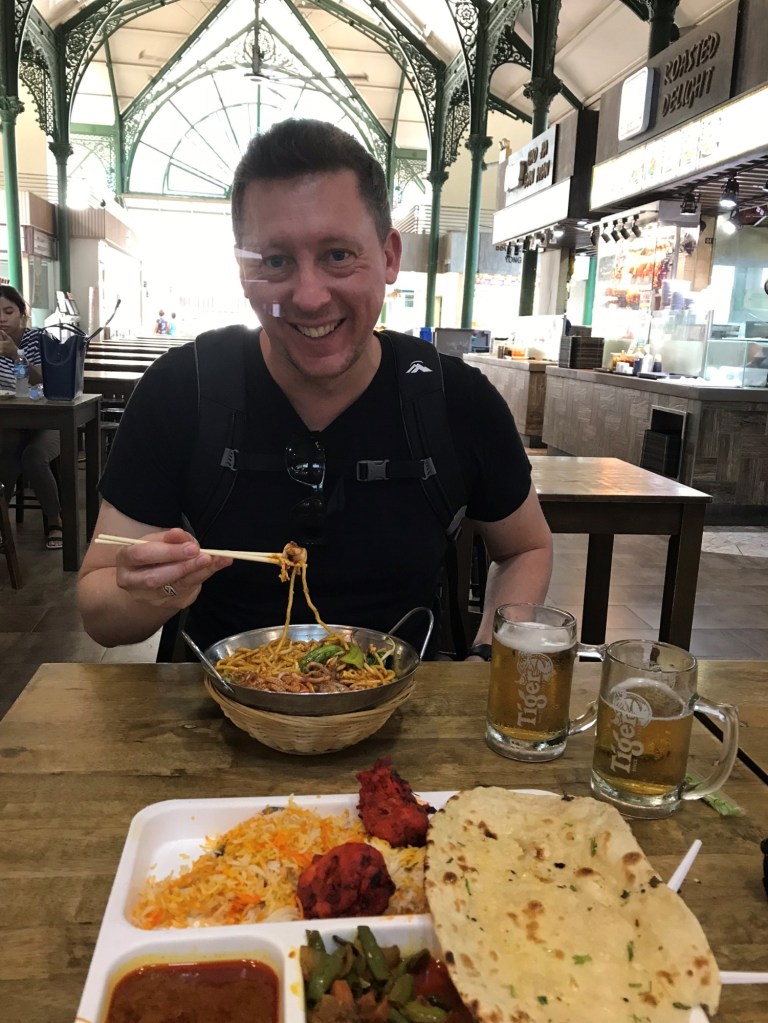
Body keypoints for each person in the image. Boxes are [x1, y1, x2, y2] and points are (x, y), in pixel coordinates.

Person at [78, 119, 553, 658]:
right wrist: (161, 588)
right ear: (243, 272)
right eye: (276, 261)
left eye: (337, 255)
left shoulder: (456, 401)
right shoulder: (180, 392)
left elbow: (526, 547)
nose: (308, 297)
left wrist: (492, 656)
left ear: (389, 256)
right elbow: (100, 616)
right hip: (211, 720)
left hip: (409, 715)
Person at [0, 285, 63, 549]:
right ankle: (2, 524)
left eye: (8, 311)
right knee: (7, 451)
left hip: (49, 419)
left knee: (33, 457)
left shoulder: (39, 339)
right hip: (12, 421)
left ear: (22, 314)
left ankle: (55, 521)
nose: (2, 318)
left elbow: (47, 383)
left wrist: (16, 354)